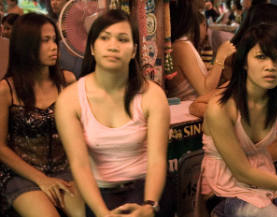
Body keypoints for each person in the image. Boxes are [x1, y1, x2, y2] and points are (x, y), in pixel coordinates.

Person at [196, 23, 277, 217]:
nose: (271, 66)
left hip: (266, 183)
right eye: (261, 57)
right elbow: (243, 173)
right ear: (245, 62)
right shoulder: (221, 108)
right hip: (226, 192)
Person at [55, 9, 170, 217]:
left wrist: (149, 206)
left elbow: (157, 159)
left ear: (134, 50)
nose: (113, 46)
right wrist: (102, 213)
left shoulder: (153, 95)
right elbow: (79, 165)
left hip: (146, 188)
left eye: (123, 39)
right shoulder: (69, 100)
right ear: (93, 47)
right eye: (105, 38)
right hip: (100, 192)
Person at [0, 13, 84, 217]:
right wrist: (41, 179)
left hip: (65, 170)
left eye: (54, 39)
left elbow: (82, 132)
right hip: (21, 173)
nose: (54, 46)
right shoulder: (6, 89)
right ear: (26, 45)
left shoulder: (67, 81)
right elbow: (0, 147)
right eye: (45, 40)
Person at [166, 0, 235, 100]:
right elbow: (205, 90)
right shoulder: (180, 47)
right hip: (188, 109)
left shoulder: (182, 44)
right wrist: (221, 56)